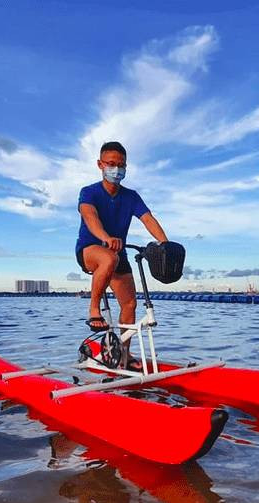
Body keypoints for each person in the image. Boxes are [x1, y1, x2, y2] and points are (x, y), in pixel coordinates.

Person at [76, 141, 168, 367]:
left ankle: (123, 355)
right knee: (109, 257)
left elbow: (148, 219)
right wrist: (106, 237)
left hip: (118, 254)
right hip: (91, 249)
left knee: (129, 306)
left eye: (121, 165)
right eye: (111, 164)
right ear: (100, 164)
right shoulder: (89, 192)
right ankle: (94, 310)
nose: (116, 169)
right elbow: (91, 218)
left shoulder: (131, 196)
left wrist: (165, 244)